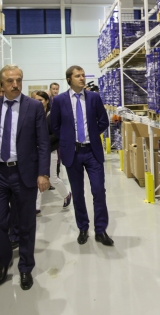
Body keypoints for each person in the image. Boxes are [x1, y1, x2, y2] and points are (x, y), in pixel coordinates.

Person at [0, 64, 50, 290]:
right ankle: (4, 260)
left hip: (24, 172)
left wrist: (43, 173)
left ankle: (26, 267)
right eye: (10, 81)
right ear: (1, 84)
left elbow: (43, 142)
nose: (15, 84)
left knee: (26, 223)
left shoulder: (33, 107)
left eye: (19, 80)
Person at [51, 65, 113, 246]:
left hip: (92, 151)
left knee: (98, 191)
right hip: (73, 152)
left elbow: (103, 121)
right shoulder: (60, 100)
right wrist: (67, 139)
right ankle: (83, 227)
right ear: (69, 79)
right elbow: (54, 125)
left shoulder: (93, 97)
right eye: (77, 76)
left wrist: (92, 134)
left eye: (83, 75)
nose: (82, 78)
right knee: (78, 193)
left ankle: (100, 230)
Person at [34, 90, 71, 216]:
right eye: (36, 100)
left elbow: (57, 134)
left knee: (53, 179)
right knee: (37, 178)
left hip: (50, 151)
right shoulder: (33, 114)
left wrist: (43, 142)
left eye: (40, 100)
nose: (38, 102)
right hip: (36, 151)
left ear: (47, 101)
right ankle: (36, 207)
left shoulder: (52, 115)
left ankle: (66, 195)